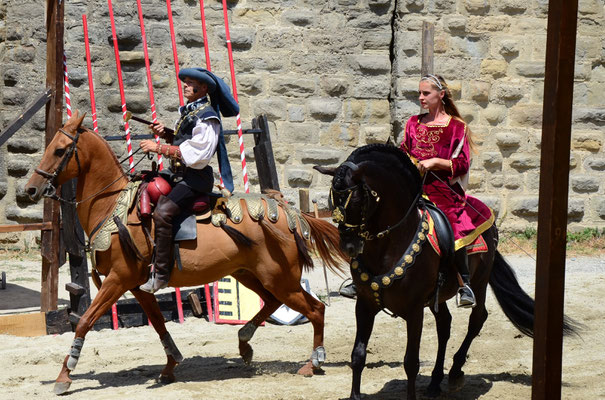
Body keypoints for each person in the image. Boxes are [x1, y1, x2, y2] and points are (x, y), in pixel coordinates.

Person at [138, 67, 237, 294]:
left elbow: (198, 156)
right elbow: (184, 142)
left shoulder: (208, 117)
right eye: (186, 81)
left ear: (203, 88)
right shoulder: (191, 112)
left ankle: (161, 275)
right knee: (143, 186)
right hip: (179, 175)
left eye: (190, 82)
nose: (185, 85)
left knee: (163, 212)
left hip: (195, 179)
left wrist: (159, 147)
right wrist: (166, 134)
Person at [399, 74, 494, 308]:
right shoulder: (413, 123)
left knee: (453, 223)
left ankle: (465, 285)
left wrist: (435, 162)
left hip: (442, 192)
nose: (421, 98)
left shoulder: (456, 127)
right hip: (412, 187)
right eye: (419, 93)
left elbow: (462, 163)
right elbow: (404, 151)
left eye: (426, 93)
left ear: (440, 95)